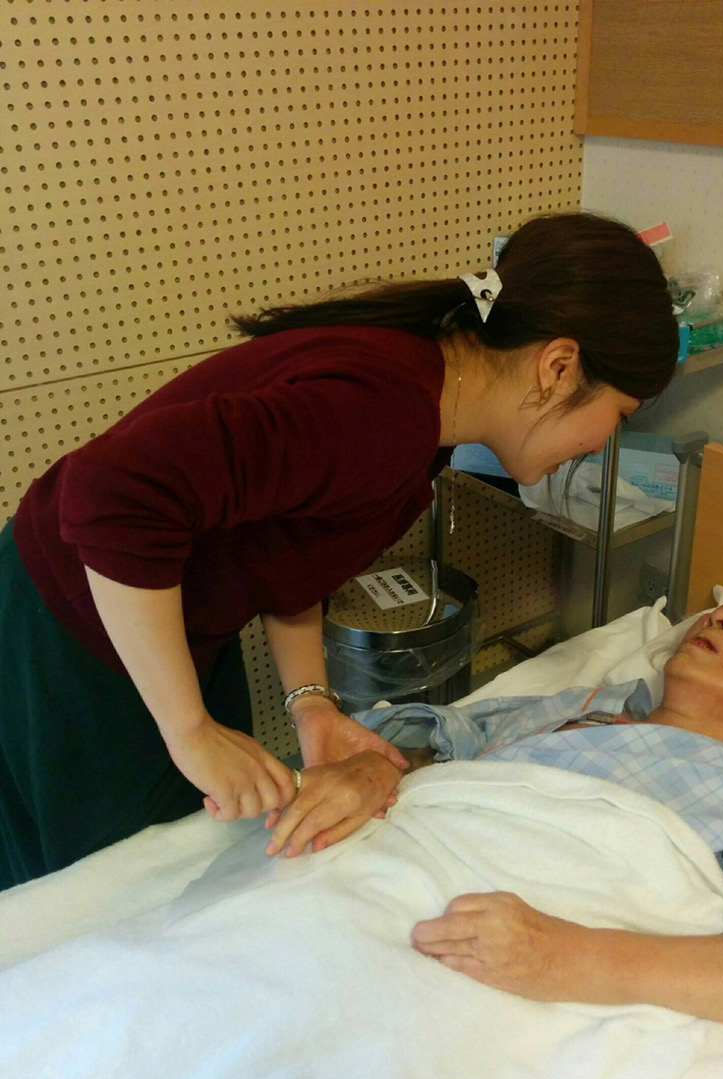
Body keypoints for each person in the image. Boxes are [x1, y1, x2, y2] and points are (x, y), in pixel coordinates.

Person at [0, 211, 679, 889]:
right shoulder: (383, 412)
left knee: (202, 848)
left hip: (172, 622)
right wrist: (189, 730)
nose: (602, 443)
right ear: (558, 366)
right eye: (618, 415)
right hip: (78, 625)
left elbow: (289, 548)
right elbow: (111, 492)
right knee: (111, 889)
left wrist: (312, 704)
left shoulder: (427, 403)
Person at [264, 594, 723, 1066]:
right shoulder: (580, 709)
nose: (721, 616)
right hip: (364, 874)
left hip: (467, 946)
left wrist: (563, 957)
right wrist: (373, 770)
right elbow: (429, 749)